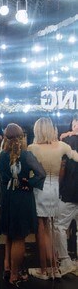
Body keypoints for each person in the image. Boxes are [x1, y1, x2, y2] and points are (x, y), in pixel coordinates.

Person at [28, 117, 78, 280]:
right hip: (55, 188)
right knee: (50, 227)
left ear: (37, 130)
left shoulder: (32, 148)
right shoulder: (62, 146)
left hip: (41, 188)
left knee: (41, 229)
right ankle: (55, 267)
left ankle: (44, 270)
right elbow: (75, 157)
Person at [0, 124, 46, 286]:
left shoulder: (2, 156)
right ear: (22, 137)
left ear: (5, 138)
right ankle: (14, 275)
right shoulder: (26, 155)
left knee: (10, 235)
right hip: (22, 198)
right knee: (19, 238)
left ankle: (7, 268)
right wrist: (29, 183)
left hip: (7, 198)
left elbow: (2, 179)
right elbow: (41, 173)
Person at [56, 114, 78, 275]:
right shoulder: (68, 139)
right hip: (72, 189)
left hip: (71, 190)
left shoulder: (68, 141)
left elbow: (62, 167)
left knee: (60, 226)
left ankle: (65, 261)